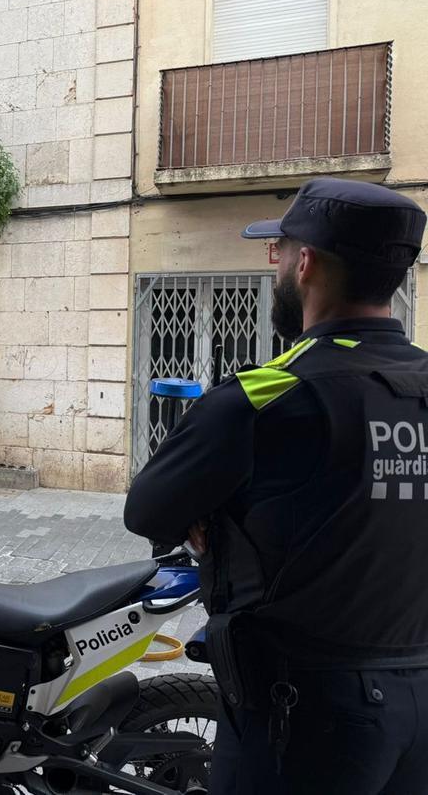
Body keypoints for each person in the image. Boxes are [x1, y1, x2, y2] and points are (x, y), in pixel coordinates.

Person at [123, 178, 428, 795]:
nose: (277, 260)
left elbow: (147, 509)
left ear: (306, 263)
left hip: (305, 715)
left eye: (281, 249)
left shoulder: (267, 395)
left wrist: (224, 525)